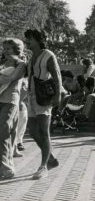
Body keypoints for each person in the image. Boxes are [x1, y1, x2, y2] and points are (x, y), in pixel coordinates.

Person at [24, 29, 62, 180]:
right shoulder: (30, 57)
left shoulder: (48, 54)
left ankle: (43, 166)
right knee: (33, 131)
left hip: (44, 97)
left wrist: (58, 95)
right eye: (26, 39)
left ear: (38, 40)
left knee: (44, 132)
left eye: (30, 39)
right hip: (32, 97)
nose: (27, 41)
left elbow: (57, 75)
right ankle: (51, 159)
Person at [0, 38, 26, 179]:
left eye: (8, 48)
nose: (5, 51)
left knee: (3, 132)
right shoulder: (3, 64)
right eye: (4, 48)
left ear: (17, 49)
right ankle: (4, 167)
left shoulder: (21, 64)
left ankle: (7, 168)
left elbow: (12, 78)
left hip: (10, 101)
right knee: (4, 134)